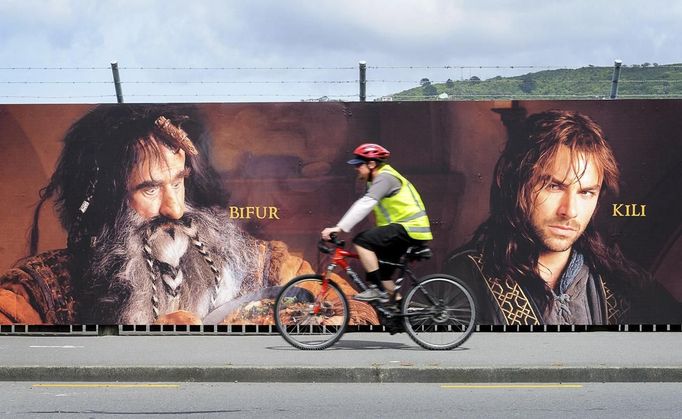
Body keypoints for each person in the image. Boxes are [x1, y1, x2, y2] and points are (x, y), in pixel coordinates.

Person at [0, 104, 377, 325]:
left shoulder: (260, 263)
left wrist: (248, 324)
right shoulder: (38, 291)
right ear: (103, 201)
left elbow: (356, 310)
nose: (175, 209)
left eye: (178, 182)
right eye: (149, 188)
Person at [445, 109, 680, 325]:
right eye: (554, 186)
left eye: (586, 193)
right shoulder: (462, 280)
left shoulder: (623, 283)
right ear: (516, 184)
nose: (570, 211)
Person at [321, 143, 432, 303]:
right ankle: (401, 312)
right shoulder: (374, 181)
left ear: (372, 164)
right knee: (384, 277)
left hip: (409, 228)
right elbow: (364, 206)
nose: (356, 168)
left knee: (362, 241)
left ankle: (375, 289)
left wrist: (339, 228)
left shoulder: (384, 178)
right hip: (403, 231)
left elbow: (365, 204)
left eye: (359, 164)